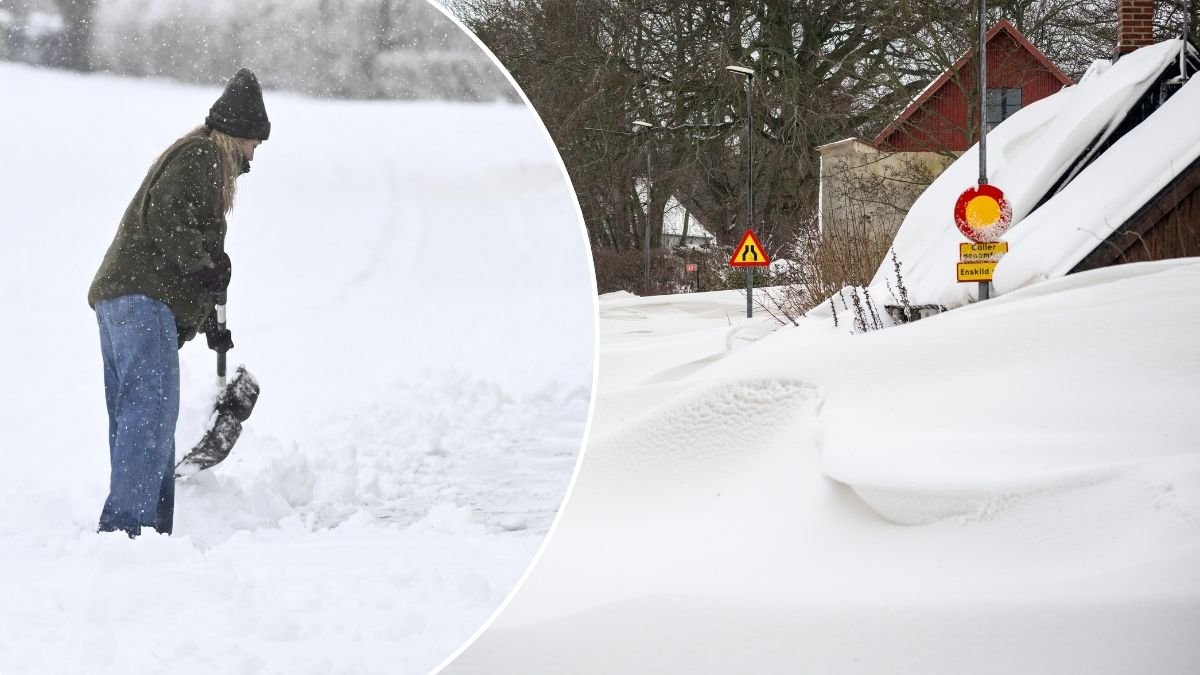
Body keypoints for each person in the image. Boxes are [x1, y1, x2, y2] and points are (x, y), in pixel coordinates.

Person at [87, 68, 270, 537]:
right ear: (239, 135)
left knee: (141, 416)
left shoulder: (199, 158)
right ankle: (127, 531)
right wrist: (203, 264)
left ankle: (150, 533)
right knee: (149, 415)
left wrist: (211, 321)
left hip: (125, 301)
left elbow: (186, 240)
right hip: (142, 300)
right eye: (254, 144)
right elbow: (168, 217)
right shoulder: (202, 155)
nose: (254, 155)